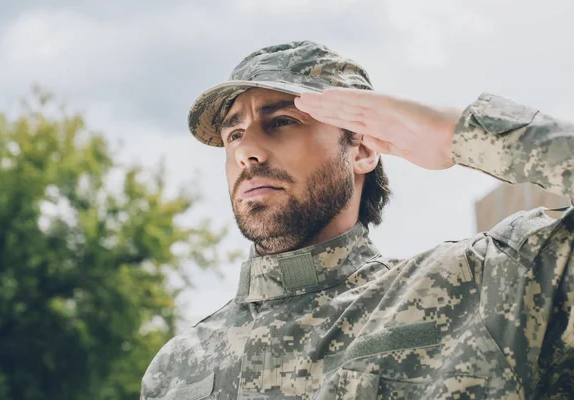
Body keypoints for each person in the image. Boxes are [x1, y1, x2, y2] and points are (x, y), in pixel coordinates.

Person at [140, 41, 573, 399]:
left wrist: (460, 132)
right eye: (234, 133)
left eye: (282, 121)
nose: (245, 150)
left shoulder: (484, 284)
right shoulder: (176, 369)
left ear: (362, 149)